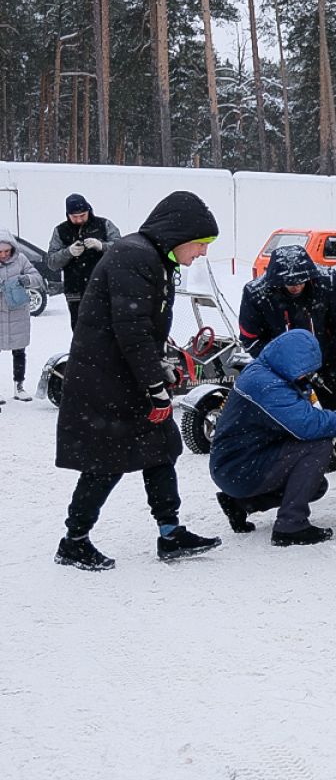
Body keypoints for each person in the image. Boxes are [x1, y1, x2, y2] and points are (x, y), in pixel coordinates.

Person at [53, 190, 223, 571]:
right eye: (200, 244)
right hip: (105, 378)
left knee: (161, 448)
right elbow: (131, 331)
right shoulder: (135, 256)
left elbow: (145, 329)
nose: (202, 253)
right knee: (106, 461)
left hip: (126, 374)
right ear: (180, 234)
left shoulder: (156, 259)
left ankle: (170, 533)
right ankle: (74, 541)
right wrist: (155, 388)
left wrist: (159, 369)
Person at [210, 329, 336, 545]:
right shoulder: (268, 386)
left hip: (235, 462)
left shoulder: (263, 372)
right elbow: (307, 425)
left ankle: (241, 504)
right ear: (292, 362)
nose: (307, 376)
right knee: (319, 446)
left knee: (316, 486)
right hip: (238, 468)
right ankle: (290, 526)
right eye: (305, 370)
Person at [238, 243, 336, 495]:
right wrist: (284, 368)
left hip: (327, 362)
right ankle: (283, 482)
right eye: (289, 282)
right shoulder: (256, 294)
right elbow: (251, 339)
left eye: (301, 281)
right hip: (281, 371)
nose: (295, 286)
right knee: (286, 424)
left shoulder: (327, 282)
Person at [46, 193, 121, 329]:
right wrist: (68, 252)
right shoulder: (60, 231)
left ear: (89, 211)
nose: (79, 219)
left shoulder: (104, 225)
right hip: (75, 289)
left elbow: (121, 250)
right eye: (75, 217)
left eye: (83, 215)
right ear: (67, 215)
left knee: (107, 326)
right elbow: (51, 262)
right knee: (80, 328)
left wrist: (101, 246)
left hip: (103, 286)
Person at [0, 229, 43, 403]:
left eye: (6, 251)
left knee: (19, 351)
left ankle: (19, 386)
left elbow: (37, 278)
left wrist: (25, 280)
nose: (3, 255)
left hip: (18, 311)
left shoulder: (21, 260)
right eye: (0, 252)